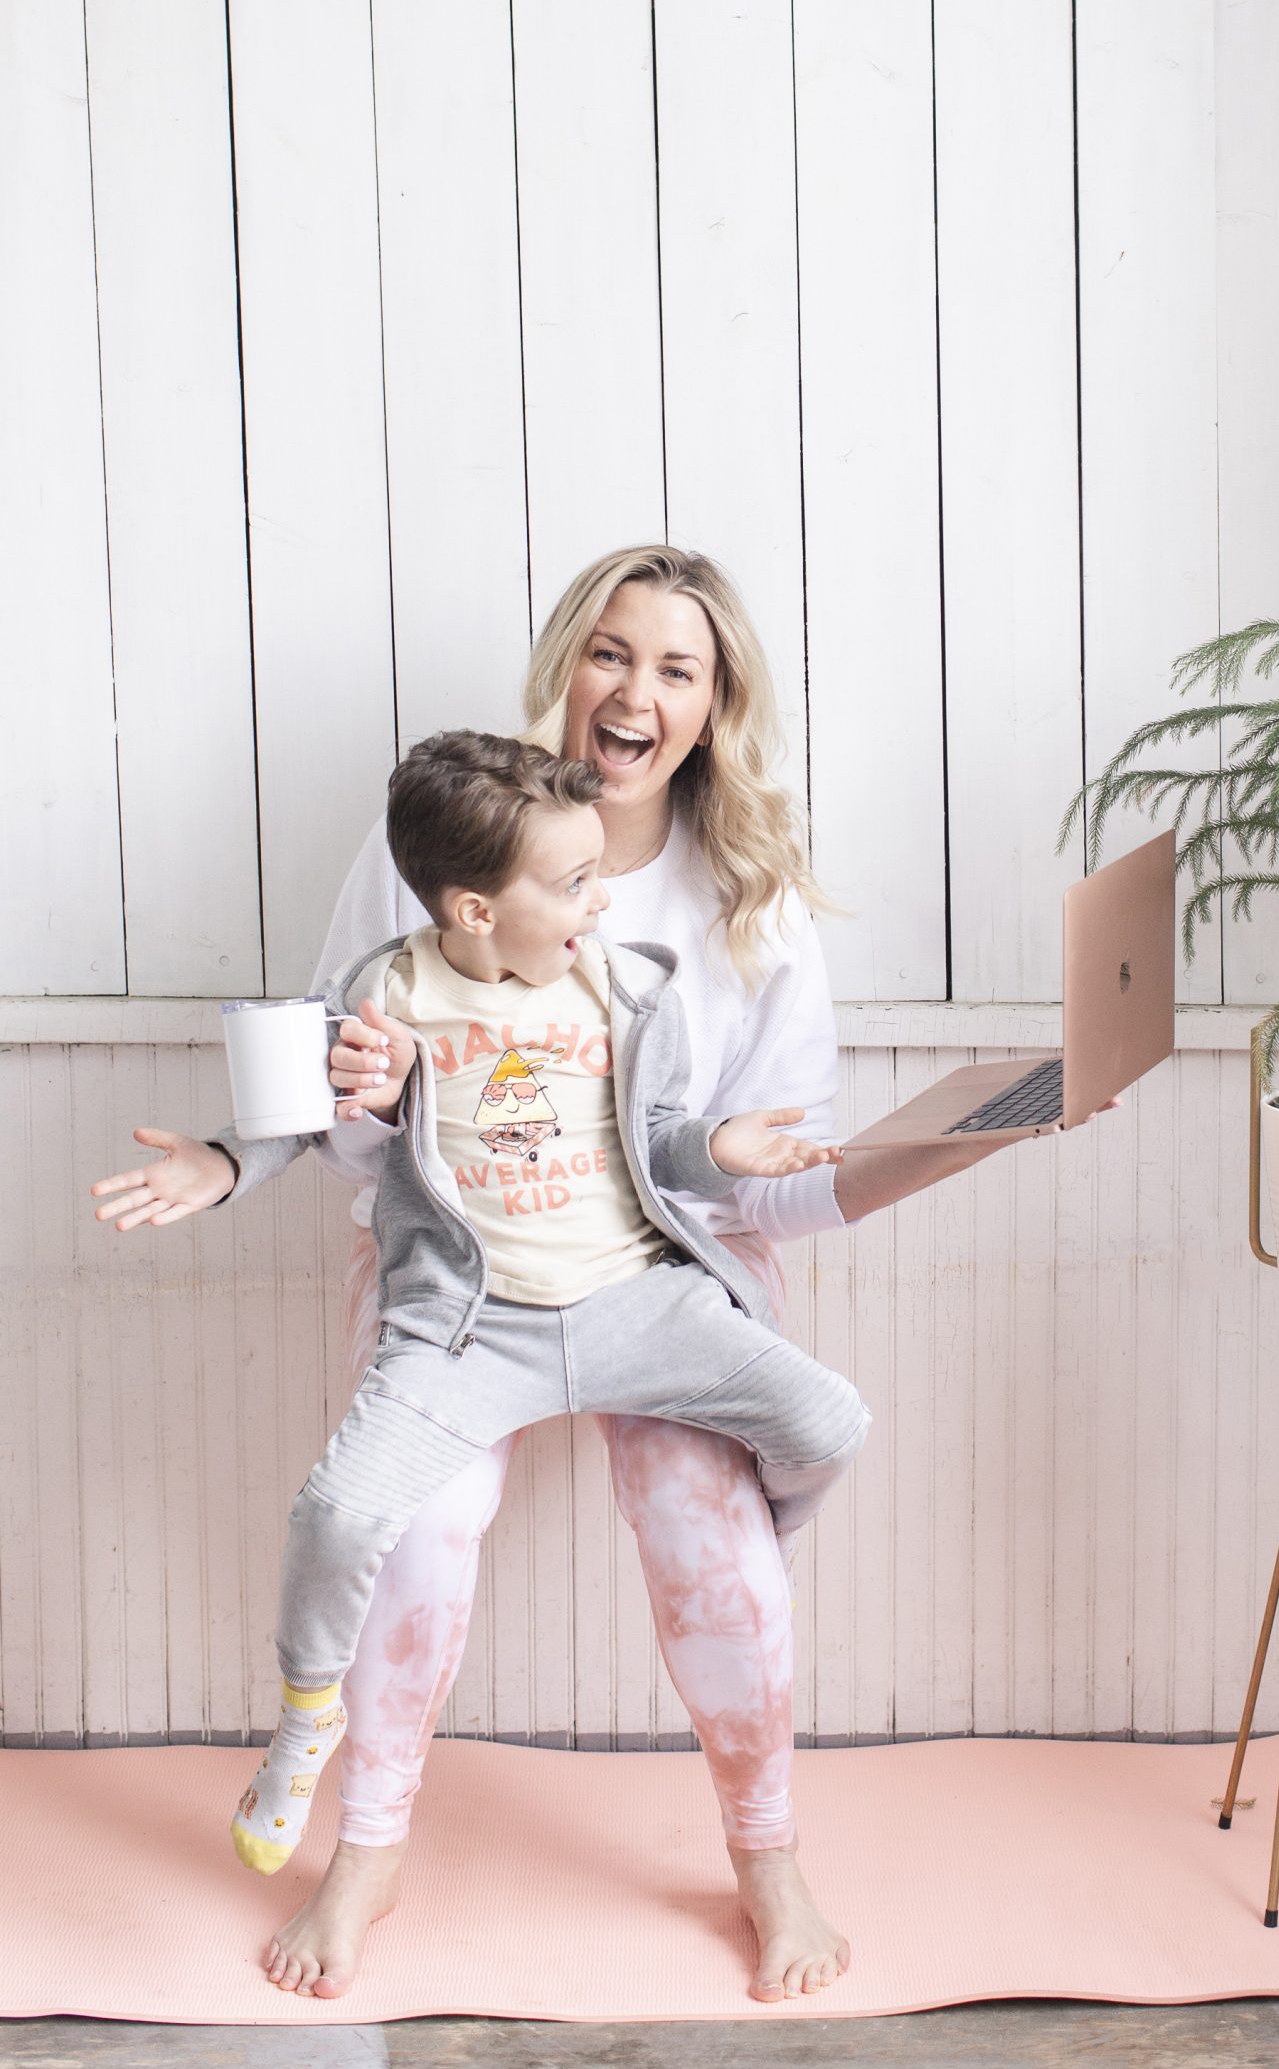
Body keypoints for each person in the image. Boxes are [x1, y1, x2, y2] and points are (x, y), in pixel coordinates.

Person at [93, 545, 1016, 2002]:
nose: (633, 691)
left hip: (659, 1275)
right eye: (608, 651)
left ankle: (768, 1859)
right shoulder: (460, 840)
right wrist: (269, 1142)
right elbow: (336, 1104)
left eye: (676, 668)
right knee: (414, 1524)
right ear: (563, 667)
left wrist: (914, 1151)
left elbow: (755, 1177)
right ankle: (365, 1852)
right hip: (462, 1288)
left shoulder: (747, 903)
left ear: (714, 710)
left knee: (719, 1552)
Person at [94, 728, 866, 1889]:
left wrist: (721, 1143)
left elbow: (650, 1140)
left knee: (831, 1422)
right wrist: (218, 1159)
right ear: (469, 911)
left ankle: (773, 1549)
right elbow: (307, 1113)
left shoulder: (621, 978)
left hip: (633, 1303)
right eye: (570, 884)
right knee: (341, 1517)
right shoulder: (389, 995)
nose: (600, 902)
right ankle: (305, 1729)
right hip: (472, 1326)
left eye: (597, 875)